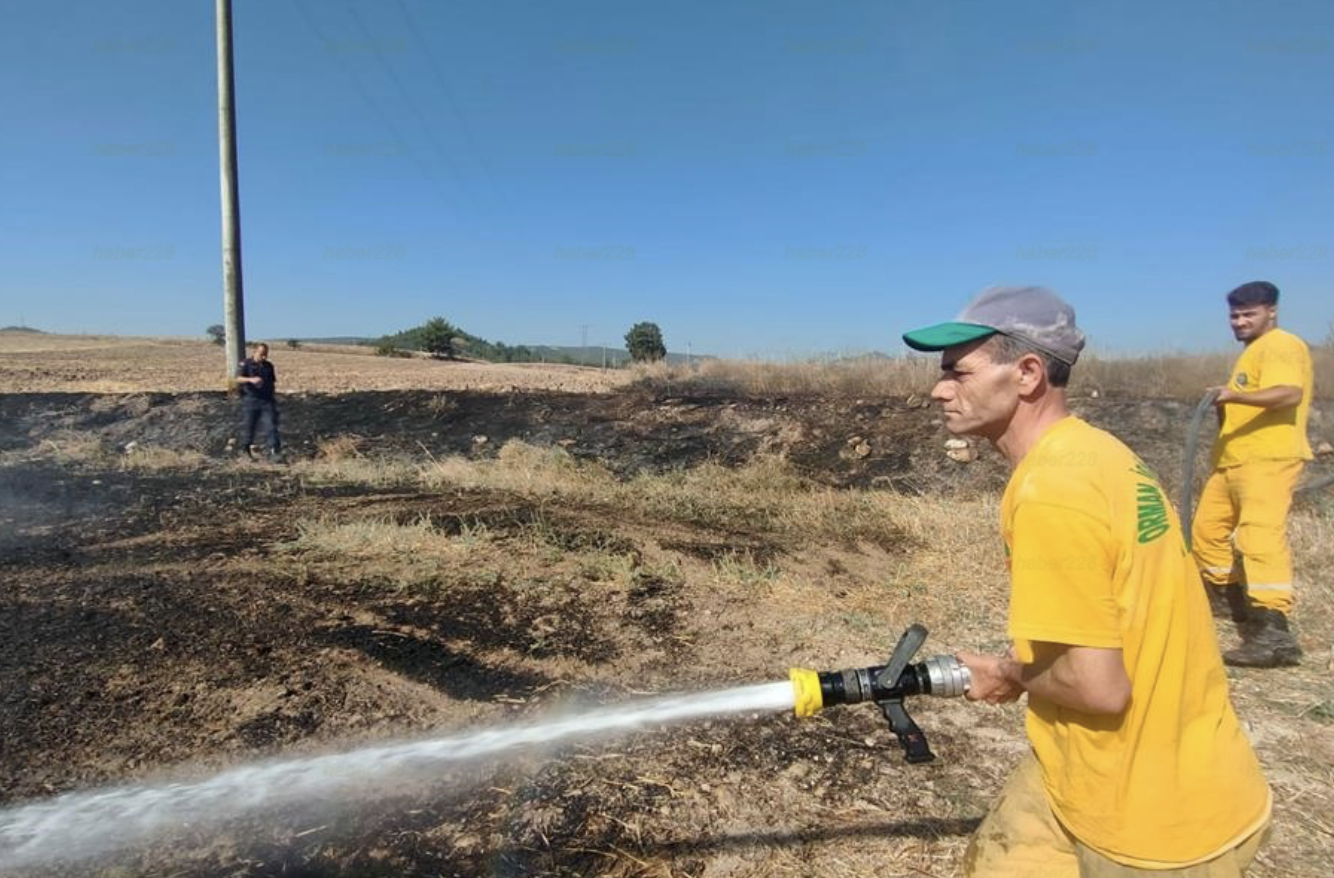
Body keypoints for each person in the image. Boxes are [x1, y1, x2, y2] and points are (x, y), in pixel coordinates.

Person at [902, 286, 1270, 877]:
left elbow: (1098, 689)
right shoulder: (1099, 453)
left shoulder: (1054, 492)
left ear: (1026, 374)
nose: (939, 388)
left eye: (958, 372)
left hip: (1151, 824)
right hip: (1103, 765)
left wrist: (1005, 672)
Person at [1191, 281, 1313, 668]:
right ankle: (1231, 604)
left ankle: (1274, 633)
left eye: (1249, 314)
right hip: (1233, 461)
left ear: (1271, 312)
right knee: (1207, 532)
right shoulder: (1252, 353)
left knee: (1259, 537)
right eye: (1235, 315)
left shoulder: (1282, 345)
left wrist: (1233, 396)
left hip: (1268, 458)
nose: (1239, 321)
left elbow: (1289, 394)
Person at [236, 342, 282, 462]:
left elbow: (272, 382)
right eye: (261, 354)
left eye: (265, 354)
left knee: (271, 425)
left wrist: (272, 396)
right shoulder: (246, 364)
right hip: (251, 400)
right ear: (255, 351)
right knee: (249, 426)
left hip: (267, 400)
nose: (264, 357)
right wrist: (251, 379)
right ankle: (245, 450)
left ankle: (274, 452)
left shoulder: (268, 366)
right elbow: (238, 378)